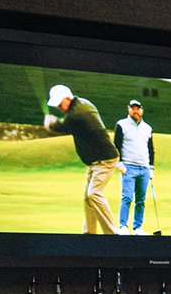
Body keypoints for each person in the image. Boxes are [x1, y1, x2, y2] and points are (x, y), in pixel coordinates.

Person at [42, 84, 119, 234]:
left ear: (68, 98)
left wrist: (50, 123)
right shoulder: (83, 103)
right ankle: (89, 233)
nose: (58, 107)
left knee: (94, 194)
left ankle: (112, 233)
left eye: (60, 104)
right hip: (95, 160)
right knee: (88, 198)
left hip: (105, 159)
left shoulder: (77, 114)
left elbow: (62, 126)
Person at [114, 99, 155, 234]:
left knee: (141, 200)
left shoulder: (147, 128)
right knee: (127, 197)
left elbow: (150, 149)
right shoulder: (122, 124)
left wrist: (151, 167)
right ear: (129, 109)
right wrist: (119, 163)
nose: (135, 111)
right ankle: (123, 226)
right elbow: (116, 145)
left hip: (144, 168)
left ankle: (137, 228)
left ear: (141, 110)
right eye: (133, 108)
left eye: (138, 109)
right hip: (128, 166)